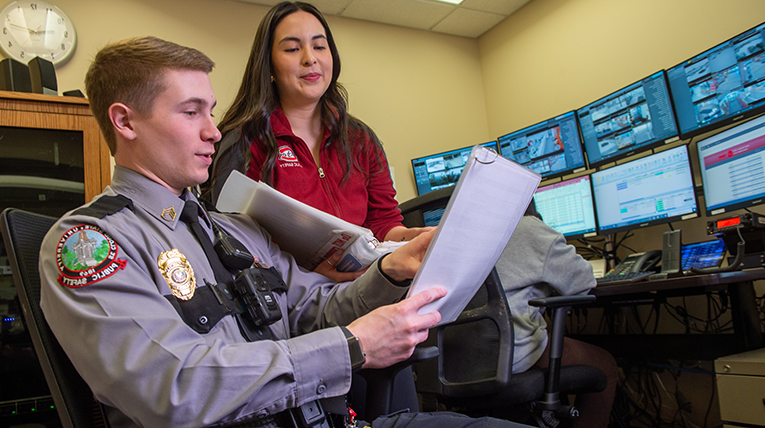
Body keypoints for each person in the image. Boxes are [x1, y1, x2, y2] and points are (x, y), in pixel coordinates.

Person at [38, 36, 530, 428]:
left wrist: (389, 271)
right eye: (191, 112)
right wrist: (352, 346)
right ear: (125, 121)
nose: (213, 130)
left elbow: (312, 310)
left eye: (210, 111)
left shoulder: (237, 231)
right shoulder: (91, 242)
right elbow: (171, 391)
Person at [206, 1, 430, 282]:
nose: (309, 58)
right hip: (290, 300)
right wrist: (308, 274)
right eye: (292, 49)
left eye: (319, 46)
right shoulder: (243, 141)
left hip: (364, 286)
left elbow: (383, 222)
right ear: (269, 66)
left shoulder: (360, 139)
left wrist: (411, 237)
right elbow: (231, 245)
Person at [495, 201, 618, 428]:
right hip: (515, 354)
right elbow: (582, 284)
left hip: (457, 360)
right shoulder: (529, 227)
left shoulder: (455, 235)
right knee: (605, 364)